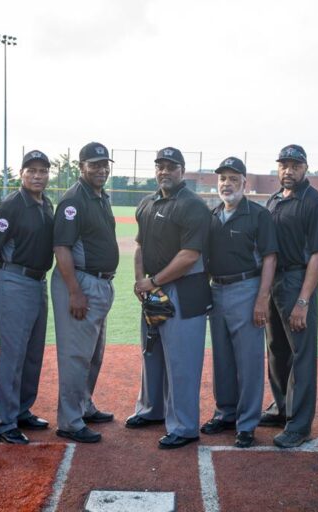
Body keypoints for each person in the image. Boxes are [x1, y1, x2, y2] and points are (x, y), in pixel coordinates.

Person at [127, 147, 212, 449]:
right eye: (160, 166)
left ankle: (184, 426)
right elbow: (139, 245)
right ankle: (152, 410)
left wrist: (153, 282)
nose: (165, 171)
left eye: (171, 166)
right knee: (152, 353)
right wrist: (142, 282)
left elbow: (189, 256)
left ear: (182, 170)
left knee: (181, 362)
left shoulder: (193, 206)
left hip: (185, 290)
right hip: (153, 288)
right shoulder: (147, 203)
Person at [201, 157, 277, 449]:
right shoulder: (213, 214)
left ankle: (246, 423)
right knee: (222, 358)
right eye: (223, 179)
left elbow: (270, 257)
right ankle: (226, 413)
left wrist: (262, 298)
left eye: (233, 179)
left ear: (245, 183)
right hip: (217, 289)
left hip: (247, 288)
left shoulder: (258, 214)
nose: (227, 184)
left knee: (248, 361)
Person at [0, 150, 55, 445]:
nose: (38, 175)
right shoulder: (11, 204)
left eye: (43, 171)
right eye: (32, 170)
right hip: (14, 280)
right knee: (13, 355)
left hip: (38, 282)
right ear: (21, 174)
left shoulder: (45, 203)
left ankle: (22, 410)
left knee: (33, 353)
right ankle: (4, 420)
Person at [262, 144, 318, 448]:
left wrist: (303, 300)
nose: (288, 171)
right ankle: (281, 407)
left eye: (294, 165)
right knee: (277, 349)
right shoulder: (274, 200)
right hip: (273, 279)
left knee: (301, 353)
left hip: (296, 279)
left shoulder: (314, 202)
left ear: (305, 168)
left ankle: (300, 424)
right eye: (283, 165)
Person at [52, 142, 118, 444]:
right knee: (76, 355)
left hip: (100, 283)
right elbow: (61, 248)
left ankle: (84, 404)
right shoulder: (73, 200)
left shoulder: (100, 197)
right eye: (94, 164)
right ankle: (69, 420)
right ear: (81, 167)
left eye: (105, 164)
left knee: (94, 354)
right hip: (80, 283)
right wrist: (74, 291)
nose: (101, 169)